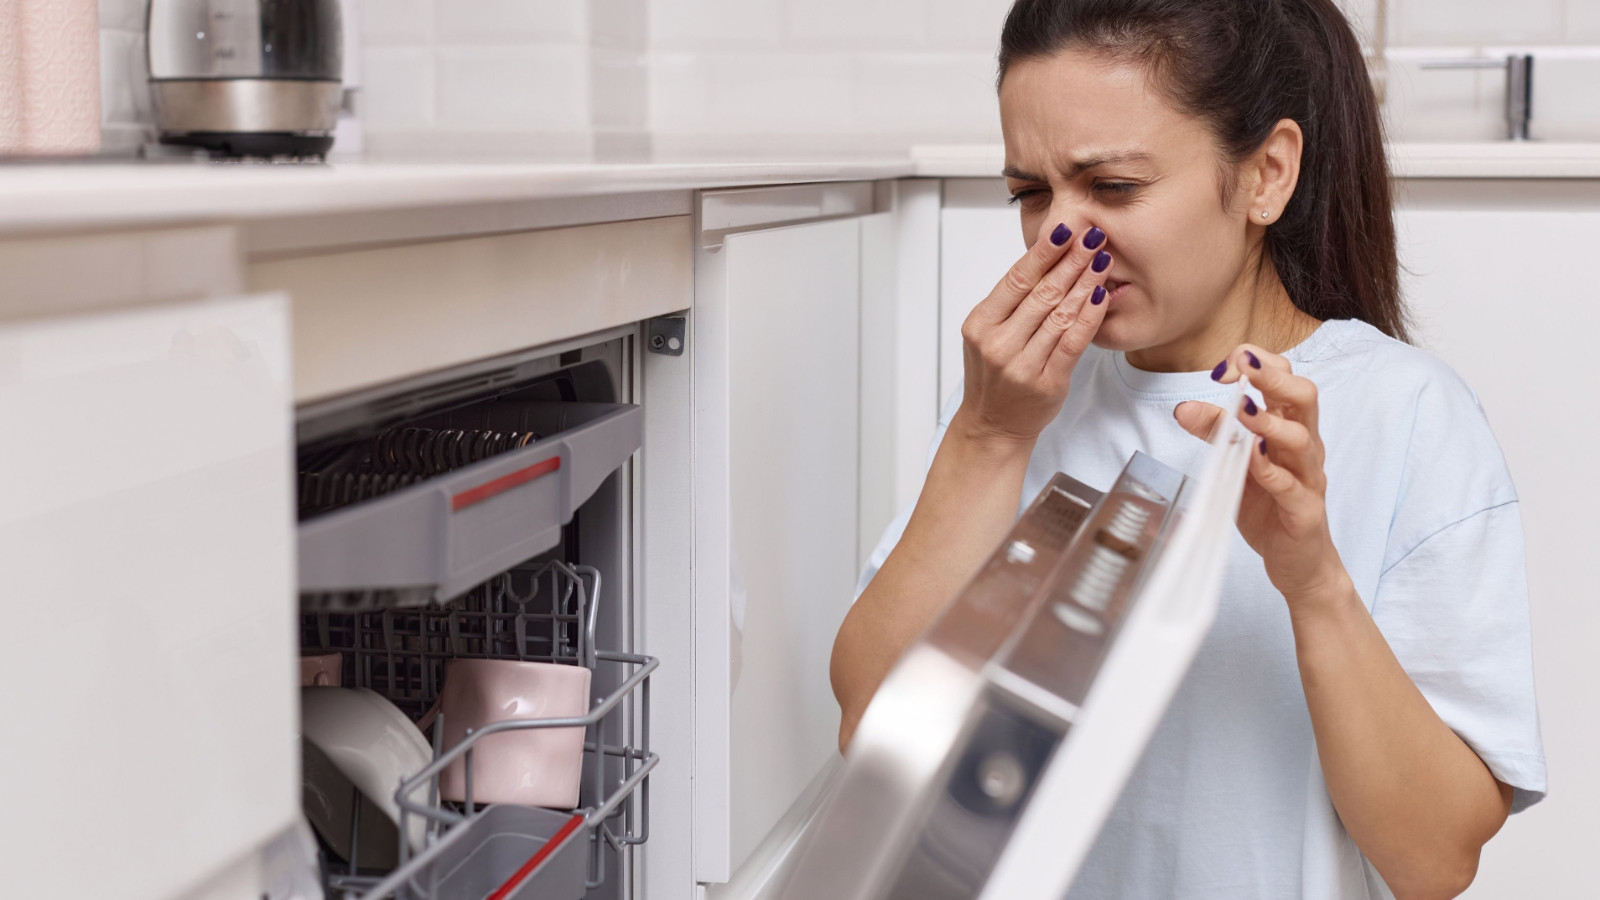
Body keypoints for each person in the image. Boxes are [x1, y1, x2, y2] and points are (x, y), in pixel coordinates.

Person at [830, 0, 1547, 897]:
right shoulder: (1014, 406)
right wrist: (986, 438)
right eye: (1030, 192)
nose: (1063, 234)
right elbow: (875, 732)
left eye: (1114, 187)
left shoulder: (1406, 416)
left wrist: (1313, 581)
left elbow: (1435, 860)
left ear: (1266, 175)